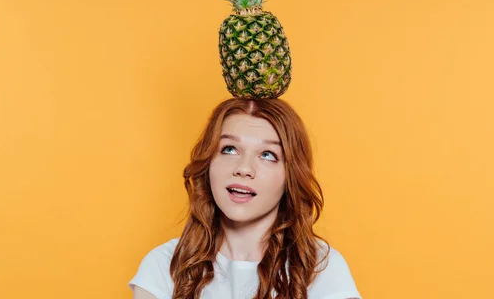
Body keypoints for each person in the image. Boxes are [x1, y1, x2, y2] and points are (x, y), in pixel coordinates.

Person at [129, 98, 362, 299]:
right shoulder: (163, 266)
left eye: (267, 154)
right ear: (208, 163)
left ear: (290, 175)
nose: (243, 168)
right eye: (229, 149)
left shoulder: (322, 268)